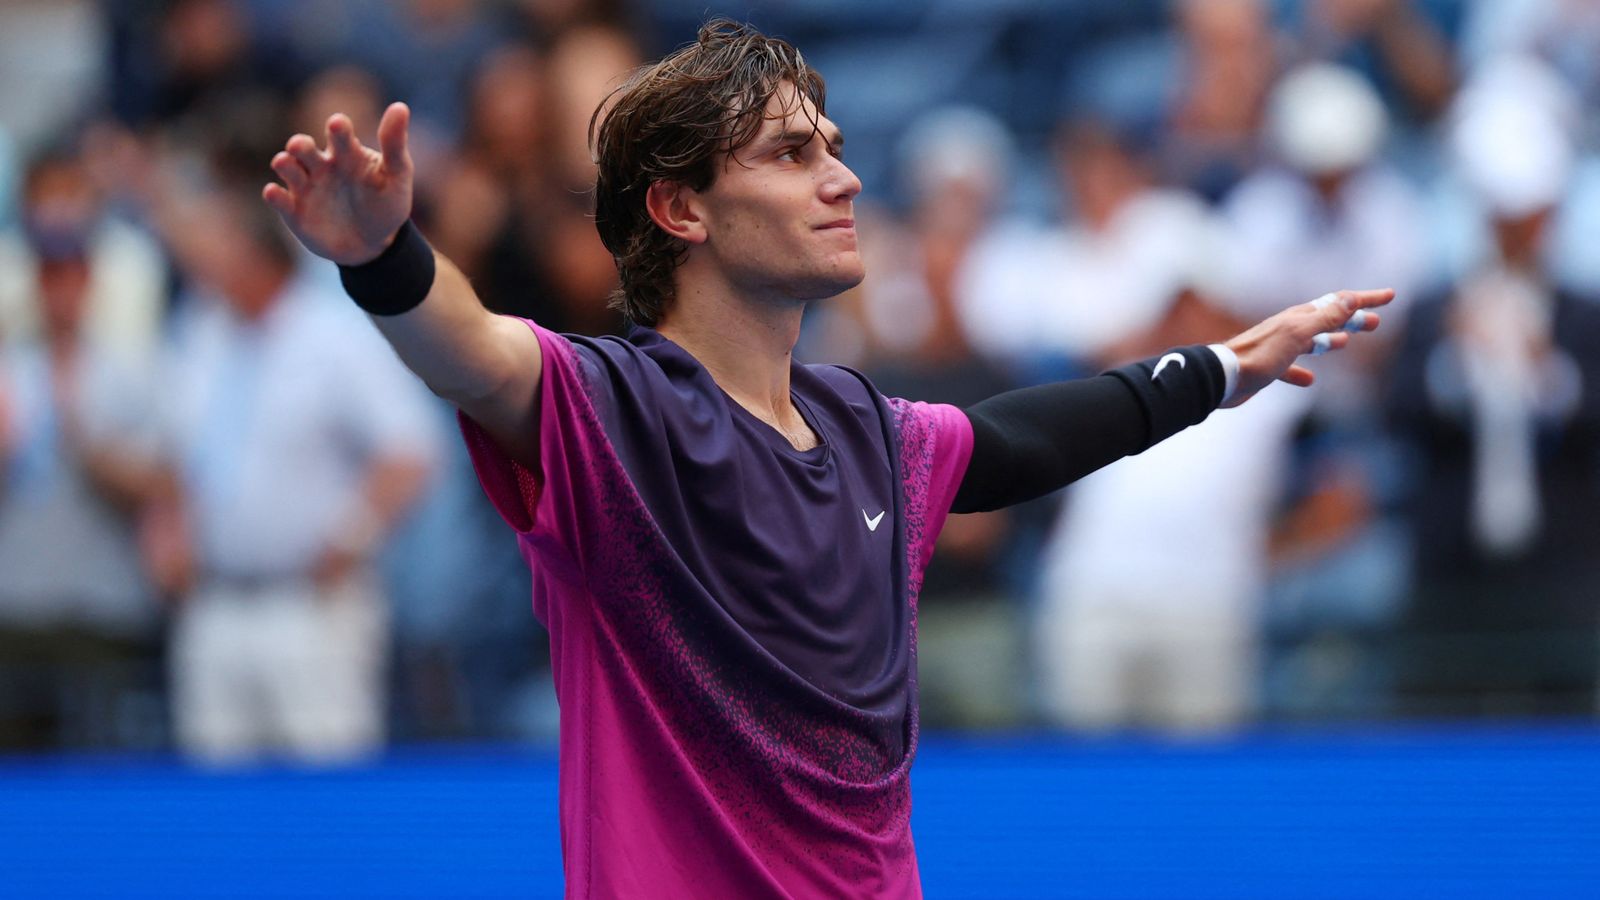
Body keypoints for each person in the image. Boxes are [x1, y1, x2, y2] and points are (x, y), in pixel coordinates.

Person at [262, 19, 1391, 897]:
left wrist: (1220, 369)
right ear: (680, 208)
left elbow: (1020, 441)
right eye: (794, 155)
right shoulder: (610, 412)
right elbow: (468, 354)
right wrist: (383, 258)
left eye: (836, 152)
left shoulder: (869, 431)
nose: (844, 179)